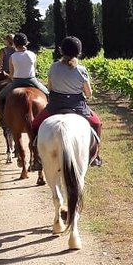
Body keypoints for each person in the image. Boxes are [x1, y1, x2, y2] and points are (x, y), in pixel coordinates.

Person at [30, 36, 103, 167]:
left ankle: (37, 158)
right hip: (77, 107)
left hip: (55, 106)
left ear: (61, 50)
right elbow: (89, 93)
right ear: (78, 52)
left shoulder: (54, 67)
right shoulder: (81, 69)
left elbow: (49, 88)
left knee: (35, 125)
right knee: (97, 124)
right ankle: (95, 156)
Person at [0, 33, 49, 118]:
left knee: (1, 96)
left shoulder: (13, 56)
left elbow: (11, 74)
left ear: (15, 44)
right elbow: (34, 69)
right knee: (47, 93)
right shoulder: (32, 54)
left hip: (17, 81)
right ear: (26, 43)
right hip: (32, 80)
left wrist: (11, 78)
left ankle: (3, 119)